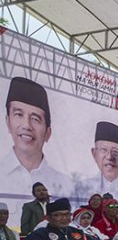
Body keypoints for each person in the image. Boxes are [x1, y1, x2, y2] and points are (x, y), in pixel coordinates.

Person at [0, 77, 73, 229]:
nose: (26, 126)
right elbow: (26, 228)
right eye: (18, 114)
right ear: (7, 121)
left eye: (35, 119)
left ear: (48, 132)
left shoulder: (65, 182)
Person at [77, 121, 118, 203]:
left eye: (115, 152)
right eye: (103, 150)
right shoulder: (81, 188)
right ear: (94, 154)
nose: (109, 157)